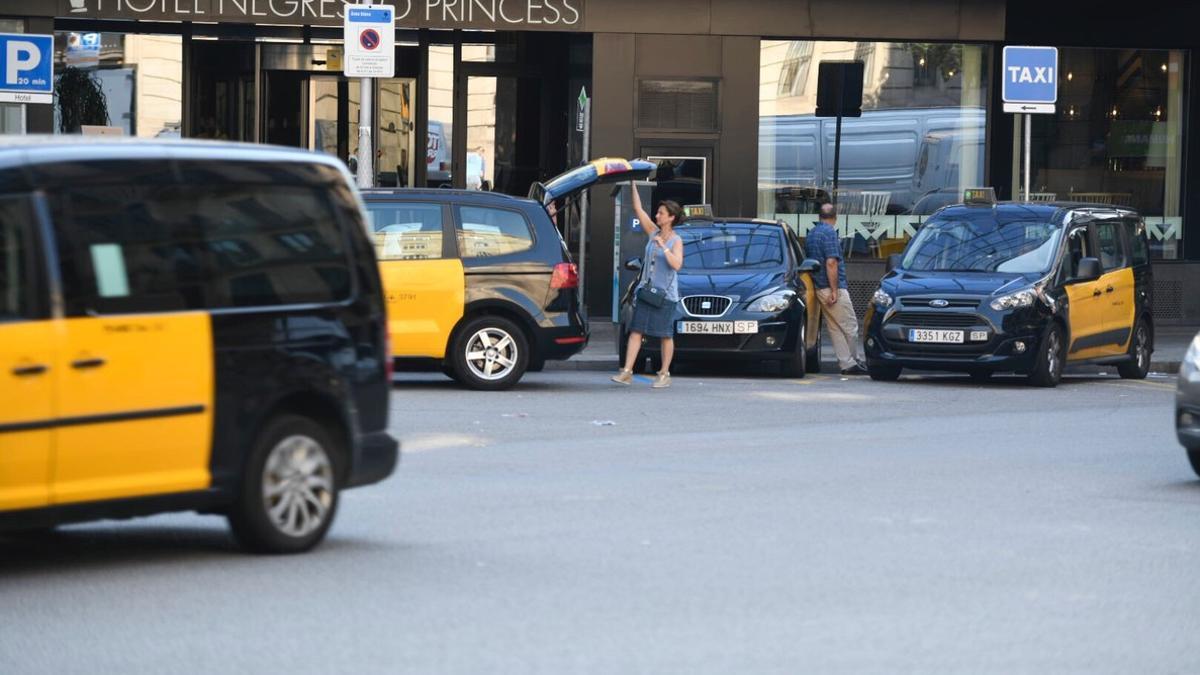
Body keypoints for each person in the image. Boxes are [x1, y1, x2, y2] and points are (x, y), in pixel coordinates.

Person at [612, 184, 684, 388]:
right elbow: (638, 209)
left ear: (671, 217)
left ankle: (664, 373)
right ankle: (626, 371)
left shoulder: (676, 241)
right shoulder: (653, 232)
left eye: (661, 213)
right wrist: (633, 183)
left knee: (665, 335)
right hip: (646, 292)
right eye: (658, 212)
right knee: (636, 330)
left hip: (665, 296)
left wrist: (664, 248)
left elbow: (677, 265)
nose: (657, 215)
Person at [808, 203, 868, 375]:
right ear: (835, 218)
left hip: (818, 286)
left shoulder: (812, 234)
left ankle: (846, 363)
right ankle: (853, 362)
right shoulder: (829, 233)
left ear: (819, 217)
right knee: (850, 326)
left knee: (835, 327)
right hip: (832, 287)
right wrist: (835, 290)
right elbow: (831, 262)